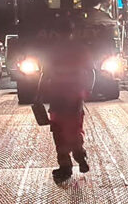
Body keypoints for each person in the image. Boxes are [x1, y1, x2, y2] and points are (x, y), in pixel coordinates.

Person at [39, 32, 95, 178]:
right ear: (71, 32)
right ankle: (79, 155)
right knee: (74, 127)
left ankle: (65, 166)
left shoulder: (53, 51)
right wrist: (88, 89)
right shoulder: (80, 49)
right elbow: (91, 72)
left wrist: (39, 94)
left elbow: (45, 75)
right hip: (75, 96)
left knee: (58, 130)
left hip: (57, 96)